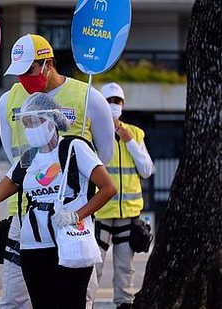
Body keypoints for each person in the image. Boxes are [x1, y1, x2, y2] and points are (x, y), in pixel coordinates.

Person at [0, 93, 116, 309]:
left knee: (71, 303)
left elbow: (108, 188)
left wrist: (77, 214)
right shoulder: (27, 159)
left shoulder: (73, 148)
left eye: (34, 122)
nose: (30, 129)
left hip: (69, 242)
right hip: (33, 245)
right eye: (26, 124)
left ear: (51, 120)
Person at [0, 33, 115, 309]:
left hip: (71, 218)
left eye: (29, 70)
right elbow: (14, 157)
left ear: (47, 63)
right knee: (15, 300)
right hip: (24, 216)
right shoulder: (7, 101)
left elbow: (104, 156)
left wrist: (75, 207)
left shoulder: (87, 97)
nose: (23, 79)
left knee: (75, 299)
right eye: (19, 73)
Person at [87, 82, 154, 309]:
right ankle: (86, 304)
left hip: (128, 214)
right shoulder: (94, 132)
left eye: (117, 101)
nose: (114, 105)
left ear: (123, 105)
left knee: (125, 269)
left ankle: (124, 305)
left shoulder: (134, 133)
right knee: (93, 266)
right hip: (102, 212)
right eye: (109, 101)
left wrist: (129, 141)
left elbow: (146, 169)